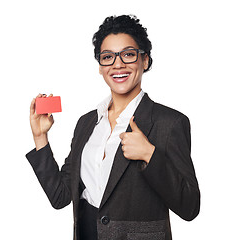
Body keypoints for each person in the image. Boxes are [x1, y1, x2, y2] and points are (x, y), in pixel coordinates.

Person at [26, 15, 200, 240]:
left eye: (128, 54)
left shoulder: (170, 122)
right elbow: (61, 197)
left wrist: (150, 154)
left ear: (144, 60)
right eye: (108, 57)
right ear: (100, 66)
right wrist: (40, 137)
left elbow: (190, 207)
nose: (118, 64)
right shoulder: (86, 123)